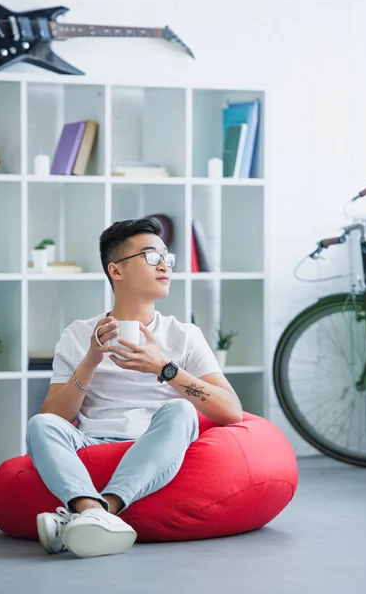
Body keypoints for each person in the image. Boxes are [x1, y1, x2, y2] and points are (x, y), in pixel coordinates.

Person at [26, 218, 243, 559]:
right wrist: (91, 359)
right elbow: (54, 417)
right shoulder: (78, 334)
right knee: (39, 425)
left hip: (155, 442)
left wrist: (164, 368)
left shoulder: (184, 335)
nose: (164, 266)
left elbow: (231, 410)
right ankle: (93, 514)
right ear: (116, 270)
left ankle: (95, 513)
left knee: (181, 410)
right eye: (151, 257)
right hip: (93, 443)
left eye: (167, 258)